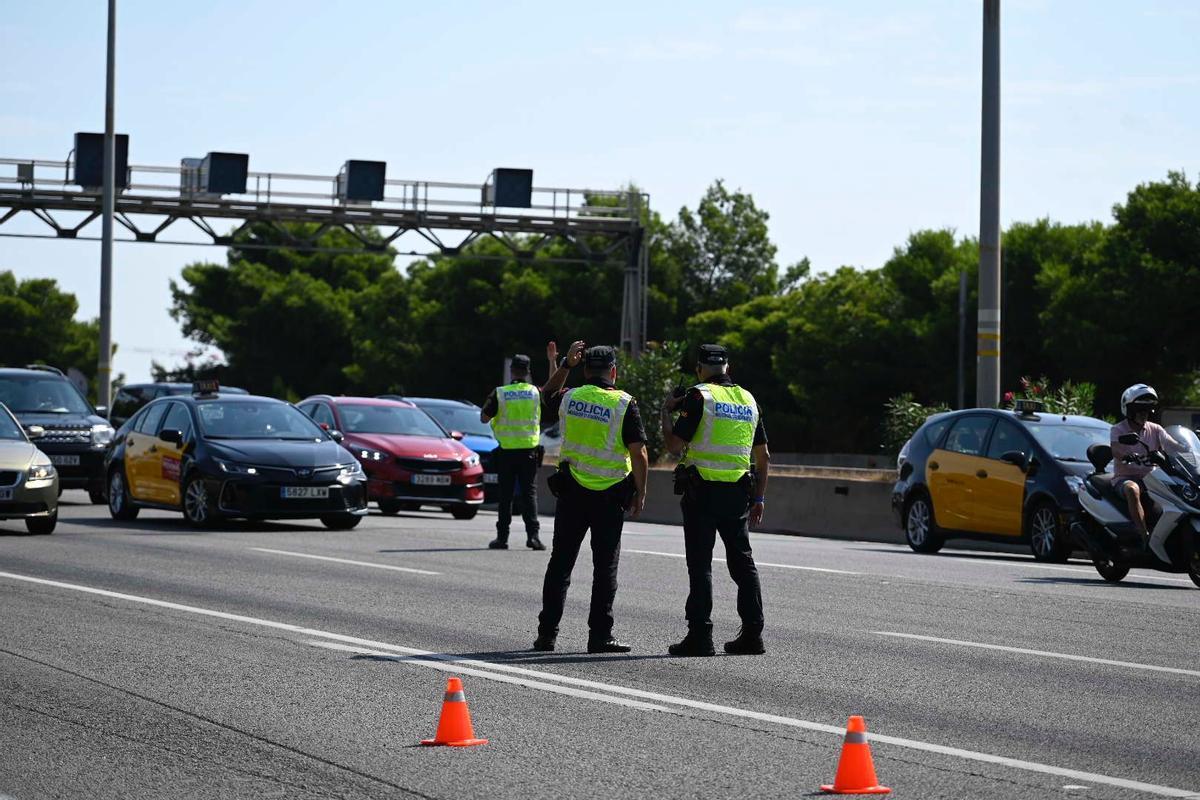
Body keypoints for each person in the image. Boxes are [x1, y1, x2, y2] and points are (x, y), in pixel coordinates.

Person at [533, 344, 648, 654]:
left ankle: (547, 635)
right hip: (610, 497)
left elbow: (547, 393)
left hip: (572, 494)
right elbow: (639, 453)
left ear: (586, 371)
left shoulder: (571, 397)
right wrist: (641, 491)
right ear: (613, 372)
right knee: (604, 568)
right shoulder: (624, 404)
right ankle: (600, 637)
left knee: (560, 565)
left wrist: (563, 365)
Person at [662, 344, 769, 657]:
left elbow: (673, 445)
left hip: (702, 491)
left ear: (699, 369)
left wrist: (665, 412)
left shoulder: (698, 396)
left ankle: (700, 636)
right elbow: (764, 456)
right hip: (738, 492)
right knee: (743, 563)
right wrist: (760, 496)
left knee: (701, 564)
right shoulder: (748, 399)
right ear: (727, 367)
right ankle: (752, 634)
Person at [480, 344, 566, 551]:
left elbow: (484, 418)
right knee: (529, 494)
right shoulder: (535, 392)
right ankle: (533, 537)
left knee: (505, 496)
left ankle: (502, 538)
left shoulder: (500, 393)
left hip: (507, 452)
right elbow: (553, 389)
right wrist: (552, 361)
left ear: (512, 371)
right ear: (528, 372)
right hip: (529, 451)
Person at [1110, 383, 1182, 564]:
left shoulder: (1156, 429)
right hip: (1125, 478)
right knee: (1132, 490)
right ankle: (1144, 538)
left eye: (1148, 410)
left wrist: (1189, 449)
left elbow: (1174, 446)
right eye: (1140, 410)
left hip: (1152, 479)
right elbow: (1116, 449)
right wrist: (1128, 455)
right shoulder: (1118, 429)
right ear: (1130, 410)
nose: (1145, 414)